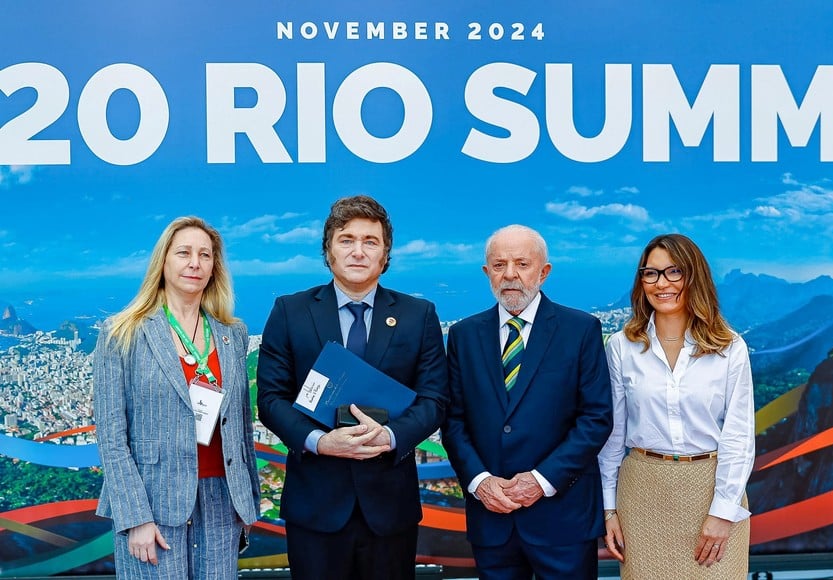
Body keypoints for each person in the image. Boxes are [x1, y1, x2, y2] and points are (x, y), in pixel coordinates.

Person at [256, 195, 449, 580]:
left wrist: (392, 436)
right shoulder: (290, 311)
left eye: (370, 241)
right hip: (316, 505)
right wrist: (319, 441)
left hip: (389, 508)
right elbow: (271, 400)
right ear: (328, 250)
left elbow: (435, 400)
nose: (358, 251)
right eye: (346, 240)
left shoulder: (418, 315)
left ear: (385, 254)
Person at [441, 224, 613, 580]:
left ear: (544, 272)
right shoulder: (463, 335)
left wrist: (541, 479)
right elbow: (453, 421)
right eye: (500, 265)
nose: (510, 275)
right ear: (486, 272)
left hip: (562, 517)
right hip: (492, 516)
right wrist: (479, 481)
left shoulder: (580, 330)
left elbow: (595, 418)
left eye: (522, 263)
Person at [93, 216, 260, 579]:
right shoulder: (122, 332)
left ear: (215, 267)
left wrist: (247, 506)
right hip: (155, 501)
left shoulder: (233, 333)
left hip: (222, 500)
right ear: (163, 261)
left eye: (205, 255)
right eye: (183, 252)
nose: (194, 263)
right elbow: (111, 437)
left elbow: (242, 427)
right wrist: (135, 517)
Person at [598, 233, 755, 579]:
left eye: (674, 272)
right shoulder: (622, 347)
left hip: (711, 492)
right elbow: (612, 437)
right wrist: (609, 510)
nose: (661, 283)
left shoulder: (730, 348)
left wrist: (723, 512)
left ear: (693, 277)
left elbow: (739, 436)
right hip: (642, 494)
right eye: (650, 273)